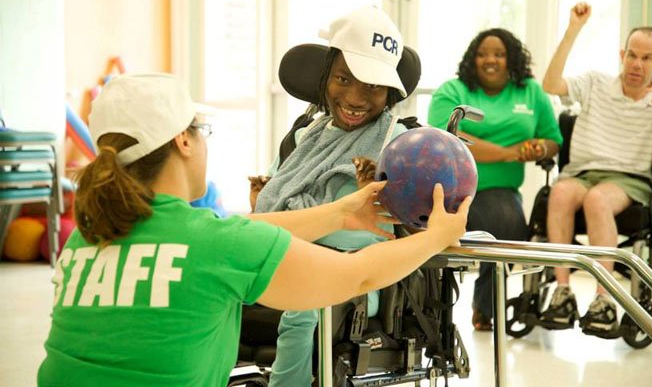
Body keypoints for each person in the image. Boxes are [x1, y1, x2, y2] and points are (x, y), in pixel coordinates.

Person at [36, 73, 469, 387]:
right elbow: (356, 275)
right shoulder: (214, 244)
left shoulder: (88, 236)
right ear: (183, 142)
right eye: (201, 131)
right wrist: (434, 237)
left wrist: (338, 214)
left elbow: (237, 229)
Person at [246, 6, 420, 387]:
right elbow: (271, 205)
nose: (355, 98)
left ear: (390, 90)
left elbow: (376, 233)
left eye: (372, 86)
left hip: (359, 278)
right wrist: (261, 203)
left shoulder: (399, 145)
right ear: (326, 76)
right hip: (281, 259)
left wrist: (299, 225)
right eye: (343, 79)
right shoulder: (304, 137)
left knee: (304, 302)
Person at [538, 2, 652, 336]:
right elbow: (550, 85)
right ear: (622, 54)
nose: (636, 64)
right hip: (581, 173)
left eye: (646, 58)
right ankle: (562, 291)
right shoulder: (596, 83)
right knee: (561, 192)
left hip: (629, 180)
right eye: (632, 55)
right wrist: (573, 29)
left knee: (598, 199)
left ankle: (604, 298)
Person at [427, 28, 563, 331]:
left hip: (498, 189)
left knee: (509, 222)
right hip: (448, 189)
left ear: (511, 58)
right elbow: (447, 137)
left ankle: (485, 308)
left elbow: (552, 139)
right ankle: (432, 314)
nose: (491, 60)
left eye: (499, 54)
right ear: (472, 59)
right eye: (483, 54)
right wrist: (510, 153)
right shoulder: (453, 91)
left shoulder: (530, 91)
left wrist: (539, 148)